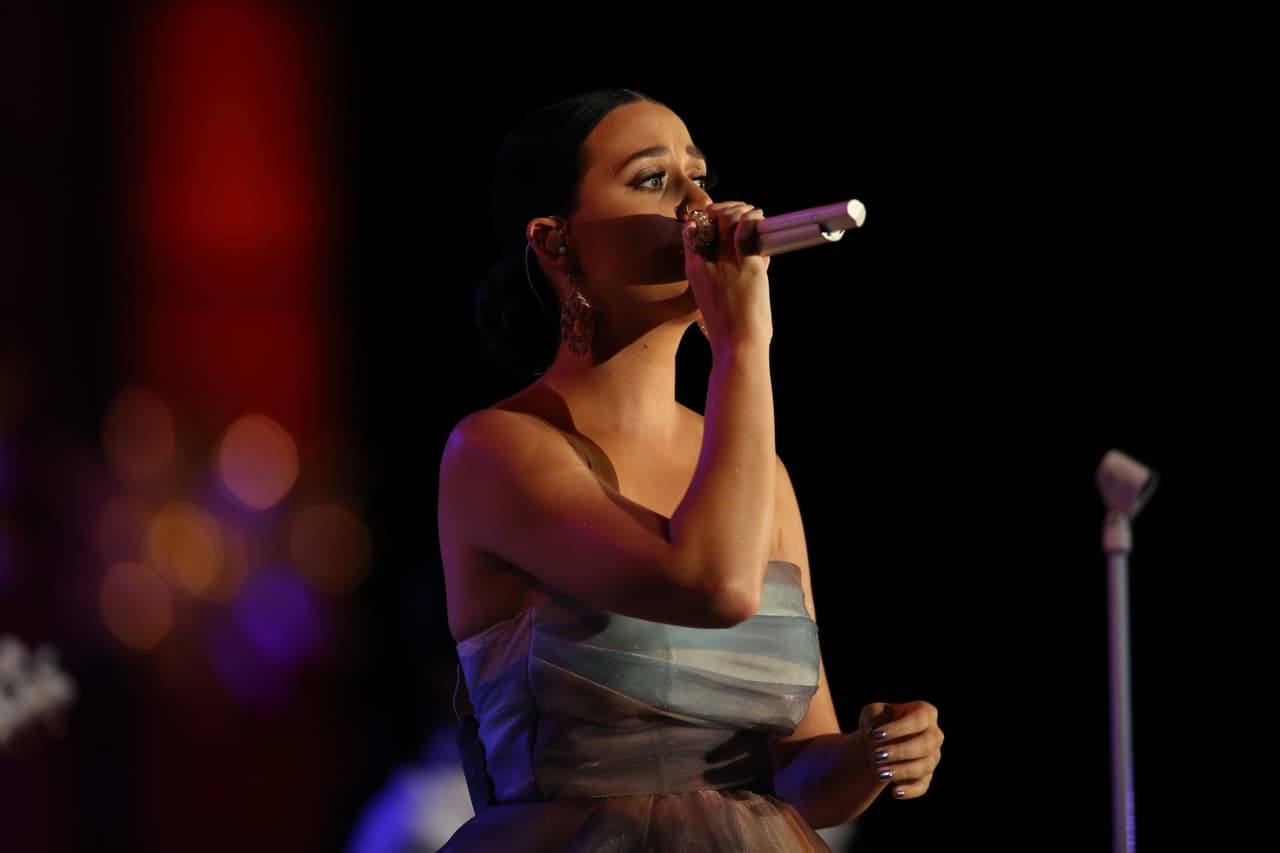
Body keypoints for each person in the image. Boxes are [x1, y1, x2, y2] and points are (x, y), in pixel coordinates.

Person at [435, 87, 943, 852]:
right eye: (654, 180)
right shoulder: (498, 449)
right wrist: (742, 344)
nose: (702, 203)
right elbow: (715, 584)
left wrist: (874, 754)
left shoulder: (753, 470)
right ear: (555, 240)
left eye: (700, 174)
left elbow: (795, 773)